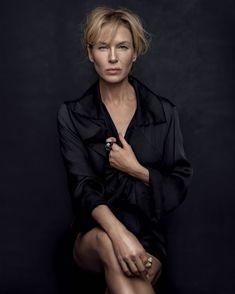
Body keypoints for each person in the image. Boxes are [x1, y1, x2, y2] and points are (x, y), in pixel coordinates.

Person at [57, 6, 193, 294]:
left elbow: (177, 185)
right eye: (103, 47)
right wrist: (120, 235)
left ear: (136, 53)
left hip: (148, 239)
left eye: (123, 46)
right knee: (110, 246)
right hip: (94, 238)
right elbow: (82, 187)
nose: (114, 57)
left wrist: (136, 170)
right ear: (90, 53)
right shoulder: (72, 114)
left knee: (127, 283)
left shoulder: (164, 113)